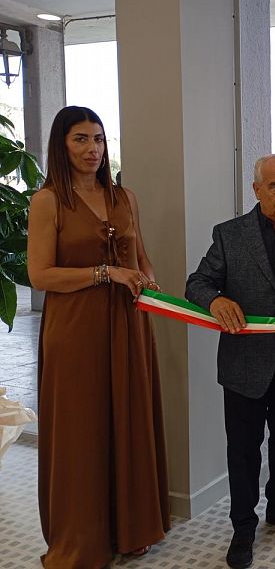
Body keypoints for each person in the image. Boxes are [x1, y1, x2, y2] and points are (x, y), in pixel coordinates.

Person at [27, 106, 170, 567]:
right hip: (74, 330)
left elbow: (141, 257)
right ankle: (82, 538)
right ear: (61, 145)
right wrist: (105, 273)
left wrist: (149, 279)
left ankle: (132, 527)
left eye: (99, 139)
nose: (93, 149)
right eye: (81, 139)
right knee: (81, 431)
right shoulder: (48, 201)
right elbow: (39, 275)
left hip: (128, 326)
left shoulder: (125, 197)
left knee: (129, 420)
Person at [185, 154, 275, 569]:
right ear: (256, 190)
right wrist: (216, 300)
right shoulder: (229, 235)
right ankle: (243, 526)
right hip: (244, 364)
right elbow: (197, 283)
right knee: (243, 449)